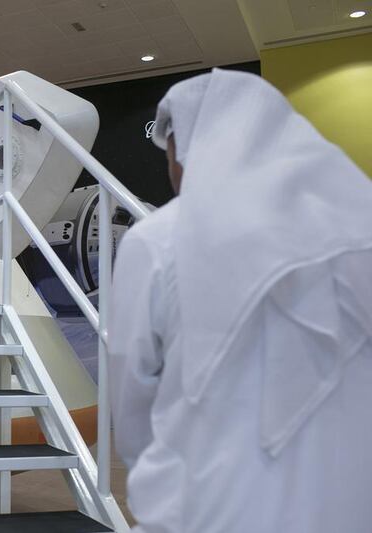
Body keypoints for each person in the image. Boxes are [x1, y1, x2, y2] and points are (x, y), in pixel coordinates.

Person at [107, 68, 372, 533]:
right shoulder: (358, 230)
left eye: (171, 154)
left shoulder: (158, 240)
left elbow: (132, 404)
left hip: (209, 507)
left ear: (187, 147)